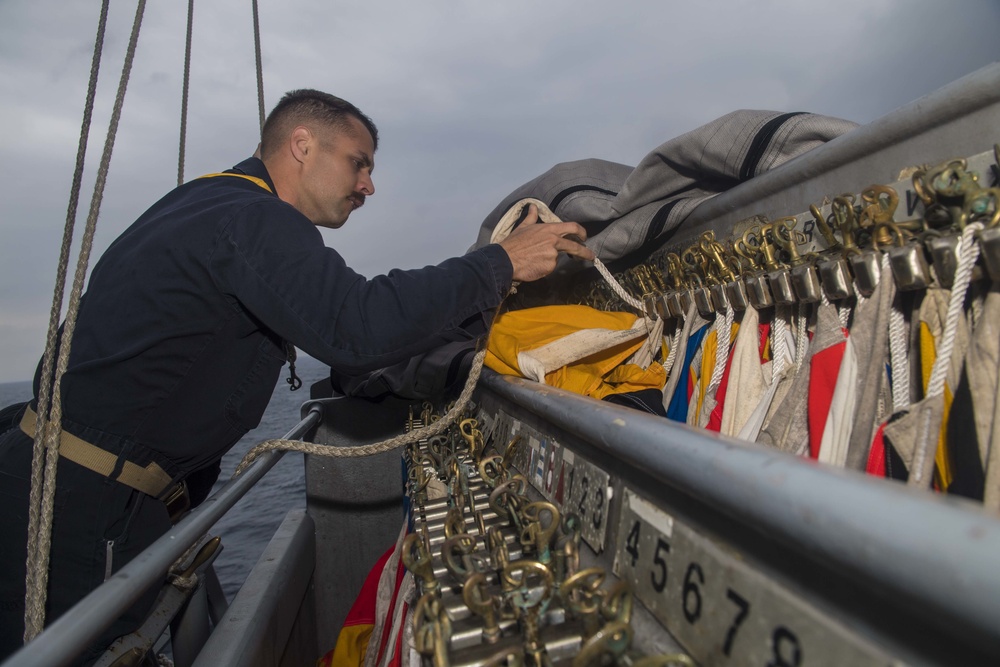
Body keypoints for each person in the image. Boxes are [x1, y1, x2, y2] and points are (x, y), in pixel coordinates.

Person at [0, 88, 594, 664]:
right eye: (357, 163)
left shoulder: (207, 202)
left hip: (68, 482)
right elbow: (355, 325)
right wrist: (500, 262)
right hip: (82, 509)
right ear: (302, 144)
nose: (368, 185)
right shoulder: (253, 218)